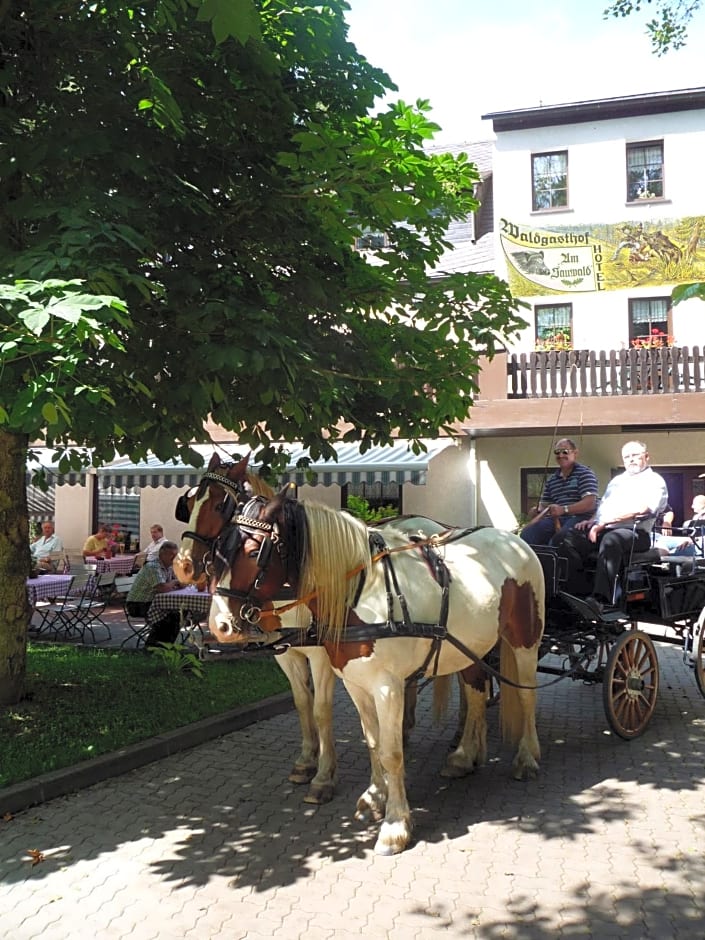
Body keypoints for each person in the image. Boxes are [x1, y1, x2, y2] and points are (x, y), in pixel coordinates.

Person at [554, 440, 668, 614]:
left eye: (635, 455)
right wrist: (592, 520)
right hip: (604, 528)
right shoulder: (617, 481)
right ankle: (577, 592)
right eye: (626, 457)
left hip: (636, 532)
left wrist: (604, 523)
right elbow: (603, 507)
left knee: (611, 540)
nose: (631, 460)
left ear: (646, 457)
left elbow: (643, 509)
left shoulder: (654, 480)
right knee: (565, 538)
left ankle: (601, 599)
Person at [520, 438, 598, 546]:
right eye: (557, 452)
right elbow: (544, 507)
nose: (561, 455)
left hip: (581, 519)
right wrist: (536, 511)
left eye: (565, 451)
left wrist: (564, 509)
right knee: (528, 534)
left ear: (575, 453)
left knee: (560, 540)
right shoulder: (552, 480)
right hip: (557, 520)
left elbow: (590, 504)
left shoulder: (585, 473)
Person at [126, 541, 186, 646]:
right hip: (137, 605)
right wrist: (176, 582)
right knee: (170, 616)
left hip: (154, 603)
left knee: (179, 614)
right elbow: (162, 588)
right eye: (171, 555)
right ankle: (153, 646)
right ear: (162, 555)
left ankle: (165, 646)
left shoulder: (169, 567)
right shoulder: (153, 566)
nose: (174, 558)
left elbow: (177, 583)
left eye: (175, 555)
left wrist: (180, 581)